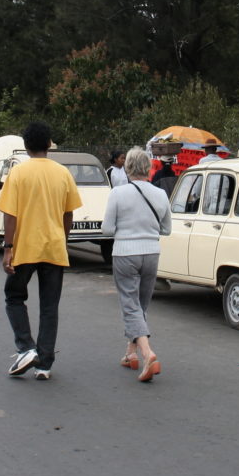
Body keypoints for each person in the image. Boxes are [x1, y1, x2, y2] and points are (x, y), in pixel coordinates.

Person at [0, 122, 82, 381]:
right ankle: (44, 364)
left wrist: (8, 248)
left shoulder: (18, 173)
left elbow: (10, 214)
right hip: (54, 248)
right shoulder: (63, 173)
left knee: (14, 296)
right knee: (49, 306)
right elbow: (68, 213)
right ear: (48, 144)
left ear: (26, 146)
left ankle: (26, 348)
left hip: (25, 247)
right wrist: (62, 240)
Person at [103, 147, 171, 382]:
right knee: (140, 306)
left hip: (125, 253)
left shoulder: (118, 193)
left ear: (128, 167)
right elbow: (166, 229)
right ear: (149, 168)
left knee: (130, 305)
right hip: (151, 253)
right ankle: (130, 353)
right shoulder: (161, 194)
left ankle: (147, 354)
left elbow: (107, 229)